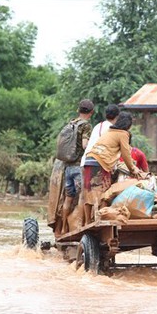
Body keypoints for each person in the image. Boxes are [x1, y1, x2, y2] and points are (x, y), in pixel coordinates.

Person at [84, 111, 145, 223]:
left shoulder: (109, 131)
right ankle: (102, 219)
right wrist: (133, 169)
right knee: (104, 193)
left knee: (89, 192)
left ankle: (88, 222)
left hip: (89, 160)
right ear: (128, 125)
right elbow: (126, 154)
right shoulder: (123, 133)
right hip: (100, 163)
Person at [60, 99, 94, 234]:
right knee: (82, 196)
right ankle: (80, 227)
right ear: (91, 112)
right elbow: (85, 145)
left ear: (78, 110)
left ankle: (63, 228)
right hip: (78, 166)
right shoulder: (85, 125)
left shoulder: (71, 123)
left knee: (68, 197)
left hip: (67, 167)